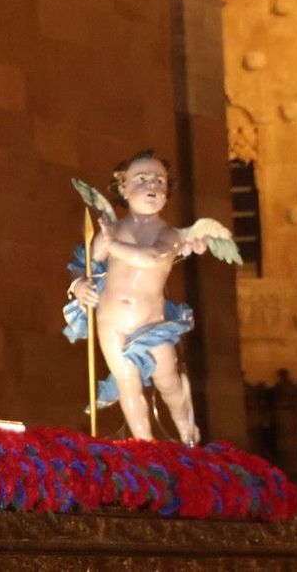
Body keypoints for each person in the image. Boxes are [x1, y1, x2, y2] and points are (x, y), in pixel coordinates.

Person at [67, 151, 201, 444]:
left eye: (159, 180)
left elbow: (154, 258)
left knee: (169, 382)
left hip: (152, 323)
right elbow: (85, 264)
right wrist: (79, 285)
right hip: (111, 321)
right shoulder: (110, 231)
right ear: (123, 188)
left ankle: (187, 433)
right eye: (141, 179)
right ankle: (144, 449)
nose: (152, 185)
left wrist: (114, 245)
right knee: (128, 383)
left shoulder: (170, 234)